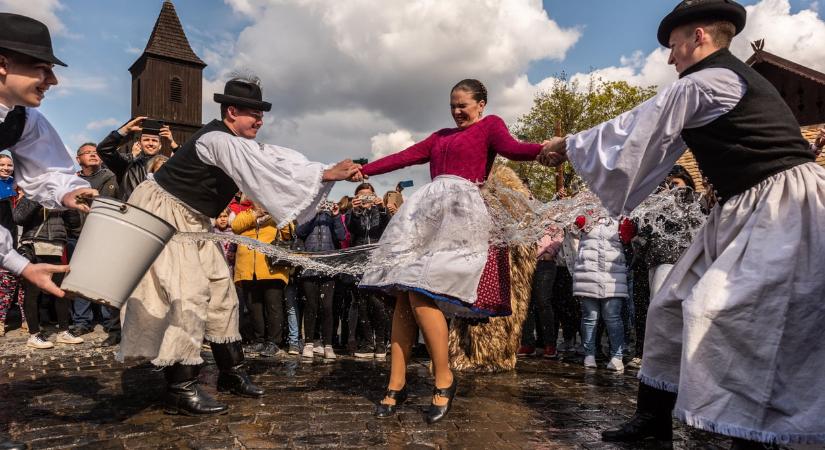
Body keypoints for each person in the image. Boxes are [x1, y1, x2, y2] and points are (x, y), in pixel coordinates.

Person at [539, 1, 825, 446]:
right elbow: (657, 146)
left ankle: (751, 433)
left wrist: (567, 143)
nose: (670, 58)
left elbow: (638, 125)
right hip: (744, 206)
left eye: (673, 47)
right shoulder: (715, 84)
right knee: (670, 305)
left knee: (737, 315)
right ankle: (653, 419)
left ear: (699, 38)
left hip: (782, 209)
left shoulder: (710, 81)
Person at [116, 75, 362, 416]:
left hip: (194, 220)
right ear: (231, 111)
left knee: (221, 293)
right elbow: (262, 172)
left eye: (261, 114)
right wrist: (326, 175)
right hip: (165, 215)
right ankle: (180, 387)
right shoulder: (218, 140)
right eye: (253, 113)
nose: (260, 121)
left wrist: (326, 169)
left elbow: (277, 160)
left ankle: (231, 372)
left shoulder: (240, 143)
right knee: (186, 296)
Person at [358, 79, 546, 423]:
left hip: (461, 216)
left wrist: (545, 150)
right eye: (453, 106)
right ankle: (396, 383)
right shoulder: (439, 137)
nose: (457, 112)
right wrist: (363, 170)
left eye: (463, 105)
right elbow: (403, 157)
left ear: (481, 104)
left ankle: (443, 377)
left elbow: (514, 148)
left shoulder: (490, 126)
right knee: (403, 294)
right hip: (426, 215)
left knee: (419, 293)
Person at [15, 194, 83, 349]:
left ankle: (63, 332)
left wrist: (68, 204)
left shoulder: (60, 195)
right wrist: (39, 199)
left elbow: (75, 223)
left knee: (60, 292)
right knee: (33, 293)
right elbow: (18, 217)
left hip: (56, 248)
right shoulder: (32, 193)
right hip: (35, 247)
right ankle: (33, 334)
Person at [71, 143, 119, 341]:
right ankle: (82, 323)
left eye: (95, 152)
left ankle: (109, 322)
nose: (93, 155)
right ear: (78, 158)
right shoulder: (72, 180)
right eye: (88, 152)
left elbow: (111, 202)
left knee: (103, 279)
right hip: (76, 234)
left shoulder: (109, 177)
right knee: (79, 279)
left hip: (102, 234)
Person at [232, 203, 290, 358]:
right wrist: (255, 214)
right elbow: (235, 226)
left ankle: (274, 342)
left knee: (273, 307)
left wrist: (276, 212)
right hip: (248, 270)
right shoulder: (246, 214)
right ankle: (259, 340)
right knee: (254, 307)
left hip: (271, 269)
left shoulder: (278, 211)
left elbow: (288, 232)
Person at [296, 200, 346, 360]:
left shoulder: (331, 215)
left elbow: (341, 235)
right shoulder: (306, 213)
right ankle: (309, 343)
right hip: (309, 266)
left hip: (328, 268)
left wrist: (336, 215)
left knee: (327, 307)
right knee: (311, 305)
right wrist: (312, 213)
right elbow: (299, 232)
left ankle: (328, 344)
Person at [346, 183, 391, 359]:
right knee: (361, 303)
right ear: (356, 198)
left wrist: (381, 208)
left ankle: (381, 343)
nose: (365, 199)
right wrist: (356, 211)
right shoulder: (353, 212)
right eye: (362, 196)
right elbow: (351, 229)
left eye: (368, 195)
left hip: (378, 261)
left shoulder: (379, 211)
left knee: (378, 303)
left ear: (374, 196)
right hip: (359, 261)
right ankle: (367, 343)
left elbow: (388, 228)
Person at [97, 117, 178, 201]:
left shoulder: (167, 166)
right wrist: (125, 130)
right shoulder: (128, 165)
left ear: (160, 146)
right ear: (140, 144)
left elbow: (188, 170)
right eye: (146, 140)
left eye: (154, 140)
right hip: (131, 211)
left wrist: (173, 143)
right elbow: (103, 150)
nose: (150, 143)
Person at [0, 154, 25, 336]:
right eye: (2, 165)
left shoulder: (17, 186)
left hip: (17, 240)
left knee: (18, 281)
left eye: (9, 165)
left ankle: (26, 319)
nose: (6, 168)